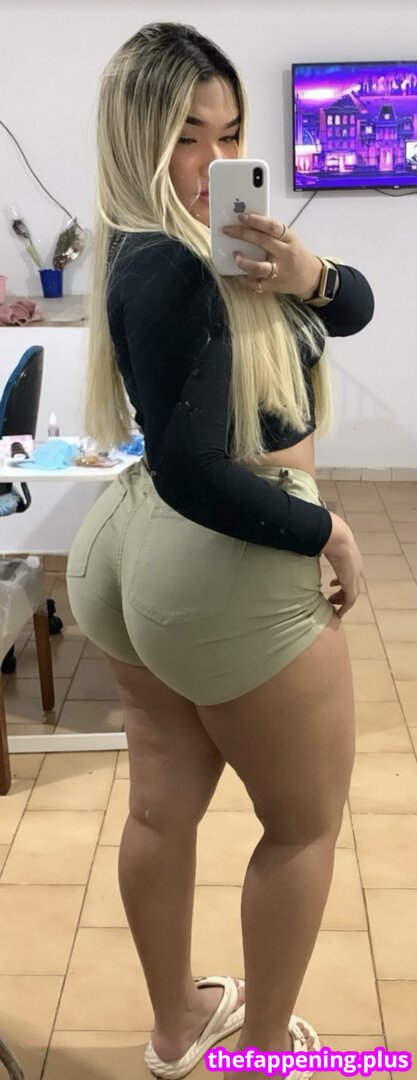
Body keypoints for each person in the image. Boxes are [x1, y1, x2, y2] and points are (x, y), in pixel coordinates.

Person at [67, 22, 374, 1080]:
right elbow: (195, 468)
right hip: (222, 542)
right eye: (187, 137)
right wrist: (327, 529)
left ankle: (175, 1031)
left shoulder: (156, 248)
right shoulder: (176, 269)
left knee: (161, 808)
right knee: (301, 827)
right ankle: (264, 1058)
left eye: (230, 133)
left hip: (131, 546)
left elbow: (357, 308)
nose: (213, 162)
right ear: (138, 138)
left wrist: (306, 272)